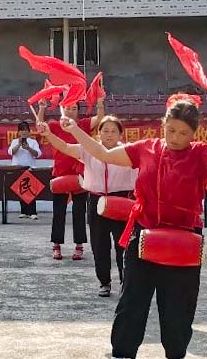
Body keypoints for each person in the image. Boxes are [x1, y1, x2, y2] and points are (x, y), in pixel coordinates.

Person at [64, 98, 207, 359]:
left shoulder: (200, 153)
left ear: (194, 133)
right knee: (132, 300)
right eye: (171, 130)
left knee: (178, 304)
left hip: (183, 239)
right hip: (143, 233)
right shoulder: (147, 149)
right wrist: (74, 130)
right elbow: (103, 153)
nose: (176, 138)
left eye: (183, 133)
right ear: (162, 125)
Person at [37, 114, 136, 296]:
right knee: (99, 245)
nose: (109, 135)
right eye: (105, 131)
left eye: (114, 131)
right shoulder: (89, 150)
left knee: (124, 246)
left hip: (122, 201)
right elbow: (65, 147)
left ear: (121, 134)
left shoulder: (129, 152)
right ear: (99, 133)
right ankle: (104, 283)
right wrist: (48, 134)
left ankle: (126, 283)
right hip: (97, 200)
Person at [39, 97, 103, 260]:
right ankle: (56, 245)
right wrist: (42, 109)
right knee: (58, 211)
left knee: (79, 211)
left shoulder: (83, 124)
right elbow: (40, 126)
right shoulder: (55, 125)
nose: (70, 111)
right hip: (60, 172)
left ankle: (79, 245)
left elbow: (100, 118)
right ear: (62, 109)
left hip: (80, 173)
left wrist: (100, 103)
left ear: (78, 111)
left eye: (74, 108)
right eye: (67, 108)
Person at [8, 121, 42, 219]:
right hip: (18, 169)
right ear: (18, 132)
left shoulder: (33, 142)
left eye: (25, 130)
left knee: (31, 190)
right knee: (21, 190)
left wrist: (28, 148)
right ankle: (24, 211)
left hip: (30, 169)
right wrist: (19, 144)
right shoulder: (15, 142)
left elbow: (37, 154)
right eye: (21, 130)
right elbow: (11, 152)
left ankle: (33, 212)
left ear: (29, 132)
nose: (23, 132)